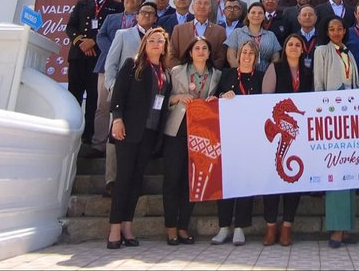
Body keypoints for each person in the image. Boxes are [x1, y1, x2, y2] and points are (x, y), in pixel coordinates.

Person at [106, 27, 171, 249]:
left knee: (136, 180)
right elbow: (118, 95)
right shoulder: (132, 65)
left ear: (165, 46)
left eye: (160, 41)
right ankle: (114, 227)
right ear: (145, 43)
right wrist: (117, 118)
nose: (156, 44)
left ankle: (127, 224)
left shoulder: (165, 73)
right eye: (152, 40)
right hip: (129, 130)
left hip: (150, 134)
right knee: (123, 178)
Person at [162, 37, 220, 245]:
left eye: (205, 48)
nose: (201, 51)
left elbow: (221, 100)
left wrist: (216, 101)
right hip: (177, 129)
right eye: (197, 48)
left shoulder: (216, 75)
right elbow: (163, 99)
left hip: (202, 133)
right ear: (190, 52)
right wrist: (176, 98)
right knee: (172, 179)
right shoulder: (176, 72)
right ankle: (170, 228)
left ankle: (183, 226)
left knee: (192, 181)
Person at [260, 34, 315, 247]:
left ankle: (287, 227)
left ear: (303, 49)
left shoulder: (309, 72)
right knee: (272, 180)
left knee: (295, 182)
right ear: (285, 48)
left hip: (299, 135)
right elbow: (266, 97)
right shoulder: (276, 68)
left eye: (297, 45)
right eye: (290, 44)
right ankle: (271, 226)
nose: (293, 47)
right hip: (277, 134)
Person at [101, 1, 158, 196]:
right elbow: (111, 65)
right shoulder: (123, 35)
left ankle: (134, 180)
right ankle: (112, 180)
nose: (147, 16)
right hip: (123, 96)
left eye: (151, 13)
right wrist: (113, 87)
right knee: (116, 138)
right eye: (144, 12)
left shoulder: (158, 39)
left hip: (146, 99)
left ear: (156, 17)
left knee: (139, 140)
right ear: (137, 16)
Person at [312, 17, 359, 247]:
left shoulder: (349, 53)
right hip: (331, 115)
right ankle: (335, 228)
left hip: (350, 115)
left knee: (350, 170)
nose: (336, 32)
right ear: (327, 31)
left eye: (340, 28)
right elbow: (318, 83)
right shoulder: (321, 51)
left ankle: (347, 227)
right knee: (336, 170)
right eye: (331, 29)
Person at [211, 42, 264, 246]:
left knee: (245, 182)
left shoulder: (261, 77)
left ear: (256, 57)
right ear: (238, 55)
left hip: (251, 137)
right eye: (244, 52)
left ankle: (240, 227)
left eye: (251, 53)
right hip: (228, 135)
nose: (247, 56)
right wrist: (223, 97)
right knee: (226, 181)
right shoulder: (226, 75)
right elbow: (212, 99)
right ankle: (224, 226)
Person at [65, 0, 123, 147]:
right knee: (74, 94)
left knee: (94, 98)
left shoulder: (115, 6)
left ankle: (89, 134)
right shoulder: (82, 4)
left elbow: (113, 31)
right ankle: (72, 130)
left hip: (99, 58)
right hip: (78, 55)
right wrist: (81, 42)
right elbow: (71, 26)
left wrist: (94, 43)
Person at [89, 0, 142, 160]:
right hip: (108, 67)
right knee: (103, 106)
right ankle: (98, 144)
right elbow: (101, 36)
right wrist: (114, 51)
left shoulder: (143, 21)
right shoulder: (112, 18)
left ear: (140, 1)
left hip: (132, 70)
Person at [166, 0, 227, 69]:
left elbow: (220, 58)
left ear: (210, 8)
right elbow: (171, 55)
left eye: (206, 4)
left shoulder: (220, 31)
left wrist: (207, 72)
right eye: (199, 3)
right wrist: (183, 71)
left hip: (209, 76)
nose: (202, 6)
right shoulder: (179, 29)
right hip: (182, 76)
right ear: (192, 7)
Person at [225, 1, 281, 71]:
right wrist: (239, 72)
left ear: (264, 16)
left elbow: (276, 57)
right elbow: (231, 56)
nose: (256, 15)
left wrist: (270, 72)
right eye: (253, 12)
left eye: (260, 13)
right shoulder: (237, 32)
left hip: (264, 75)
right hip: (241, 74)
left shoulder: (271, 35)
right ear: (248, 15)